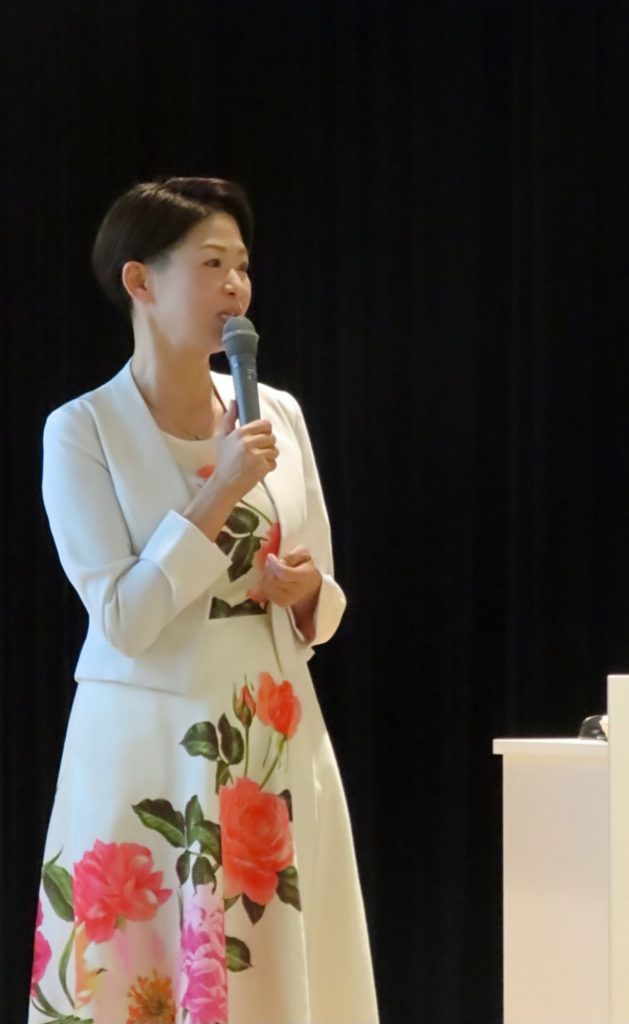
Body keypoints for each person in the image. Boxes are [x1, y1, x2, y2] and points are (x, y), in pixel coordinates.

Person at [28, 177, 379, 1024]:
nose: (236, 287)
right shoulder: (83, 429)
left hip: (271, 728)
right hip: (150, 737)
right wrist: (218, 487)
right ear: (140, 282)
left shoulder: (277, 413)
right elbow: (123, 618)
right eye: (212, 264)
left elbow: (322, 596)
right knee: (142, 975)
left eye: (243, 267)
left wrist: (308, 593)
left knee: (275, 973)